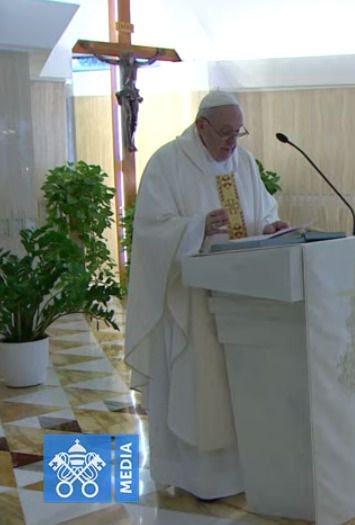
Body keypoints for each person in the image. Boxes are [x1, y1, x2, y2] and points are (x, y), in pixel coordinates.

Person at [124, 90, 288, 500]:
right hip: (191, 301)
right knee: (198, 386)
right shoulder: (168, 163)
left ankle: (241, 473)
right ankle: (194, 476)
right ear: (201, 125)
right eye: (225, 132)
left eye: (238, 132)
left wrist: (270, 225)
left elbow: (263, 210)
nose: (232, 142)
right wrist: (196, 227)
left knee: (236, 387)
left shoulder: (244, 163)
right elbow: (151, 229)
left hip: (241, 294)